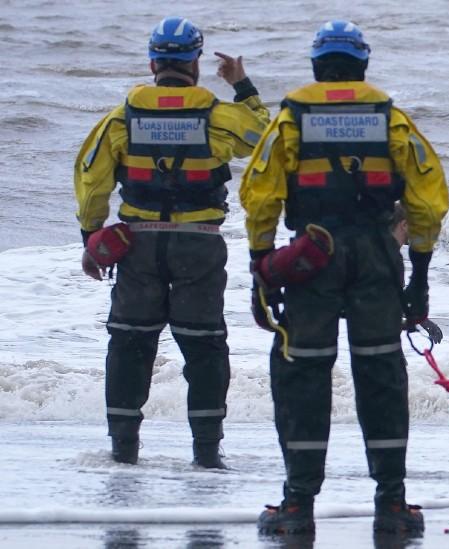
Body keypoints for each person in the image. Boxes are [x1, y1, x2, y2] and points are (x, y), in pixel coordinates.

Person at [240, 20, 449, 536]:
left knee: (302, 373)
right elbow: (428, 199)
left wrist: (262, 267)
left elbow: (260, 194)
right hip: (377, 256)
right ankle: (393, 504)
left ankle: (296, 505)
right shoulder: (390, 118)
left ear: (317, 65)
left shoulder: (291, 117)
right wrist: (419, 275)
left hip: (311, 256)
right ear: (363, 65)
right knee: (380, 374)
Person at [73, 16, 269, 468]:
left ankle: (123, 452)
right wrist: (244, 87)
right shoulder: (220, 117)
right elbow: (269, 142)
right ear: (196, 63)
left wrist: (91, 238)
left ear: (152, 62)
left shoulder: (120, 119)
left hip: (136, 246)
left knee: (129, 343)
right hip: (199, 244)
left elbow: (89, 178)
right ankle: (206, 454)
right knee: (204, 345)